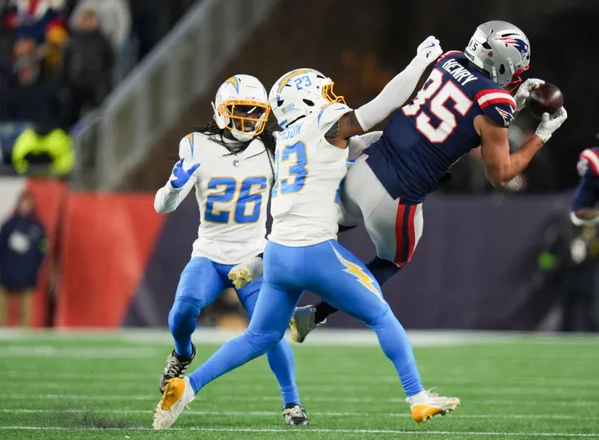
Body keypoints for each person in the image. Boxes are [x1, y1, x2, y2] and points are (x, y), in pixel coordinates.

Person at [153, 38, 460, 430]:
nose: (332, 96)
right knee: (382, 315)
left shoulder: (284, 140)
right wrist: (419, 65)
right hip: (315, 250)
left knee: (259, 337)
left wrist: (403, 143)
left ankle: (188, 386)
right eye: (324, 90)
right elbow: (379, 109)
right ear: (308, 97)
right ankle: (417, 396)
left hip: (277, 255)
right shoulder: (322, 123)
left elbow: (360, 143)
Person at [289, 20, 569, 342]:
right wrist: (541, 136)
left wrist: (513, 103)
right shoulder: (496, 103)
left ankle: (262, 261)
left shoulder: (449, 59)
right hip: (398, 196)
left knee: (315, 227)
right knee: (392, 260)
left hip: (366, 167)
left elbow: (468, 118)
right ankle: (313, 315)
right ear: (502, 61)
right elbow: (500, 174)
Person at [152, 74, 307, 426]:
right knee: (181, 313)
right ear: (221, 111)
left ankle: (292, 402)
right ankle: (182, 352)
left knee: (271, 329)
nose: (249, 119)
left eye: (256, 112)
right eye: (241, 111)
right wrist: (173, 188)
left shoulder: (273, 149)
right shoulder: (196, 144)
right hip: (209, 253)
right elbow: (163, 206)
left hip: (253, 256)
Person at [0, 191, 47, 327]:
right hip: (7, 274)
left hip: (27, 275)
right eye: (22, 204)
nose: (24, 207)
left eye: (27, 204)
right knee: (1, 311)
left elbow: (43, 250)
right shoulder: (7, 226)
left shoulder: (38, 228)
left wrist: (34, 268)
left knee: (26, 312)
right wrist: (3, 267)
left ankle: (24, 336)